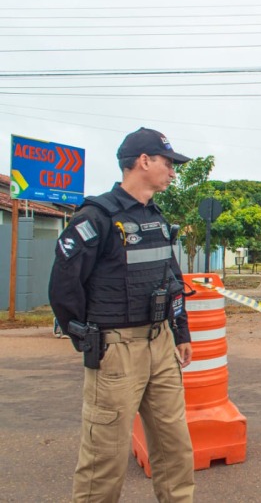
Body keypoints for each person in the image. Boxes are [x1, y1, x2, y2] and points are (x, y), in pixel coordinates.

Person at [49, 127, 195, 502]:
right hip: (117, 351)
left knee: (175, 449)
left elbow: (173, 280)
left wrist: (180, 333)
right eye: (168, 163)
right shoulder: (96, 217)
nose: (173, 172)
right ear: (143, 162)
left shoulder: (157, 219)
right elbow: (65, 287)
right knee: (103, 463)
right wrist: (90, 339)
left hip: (161, 346)